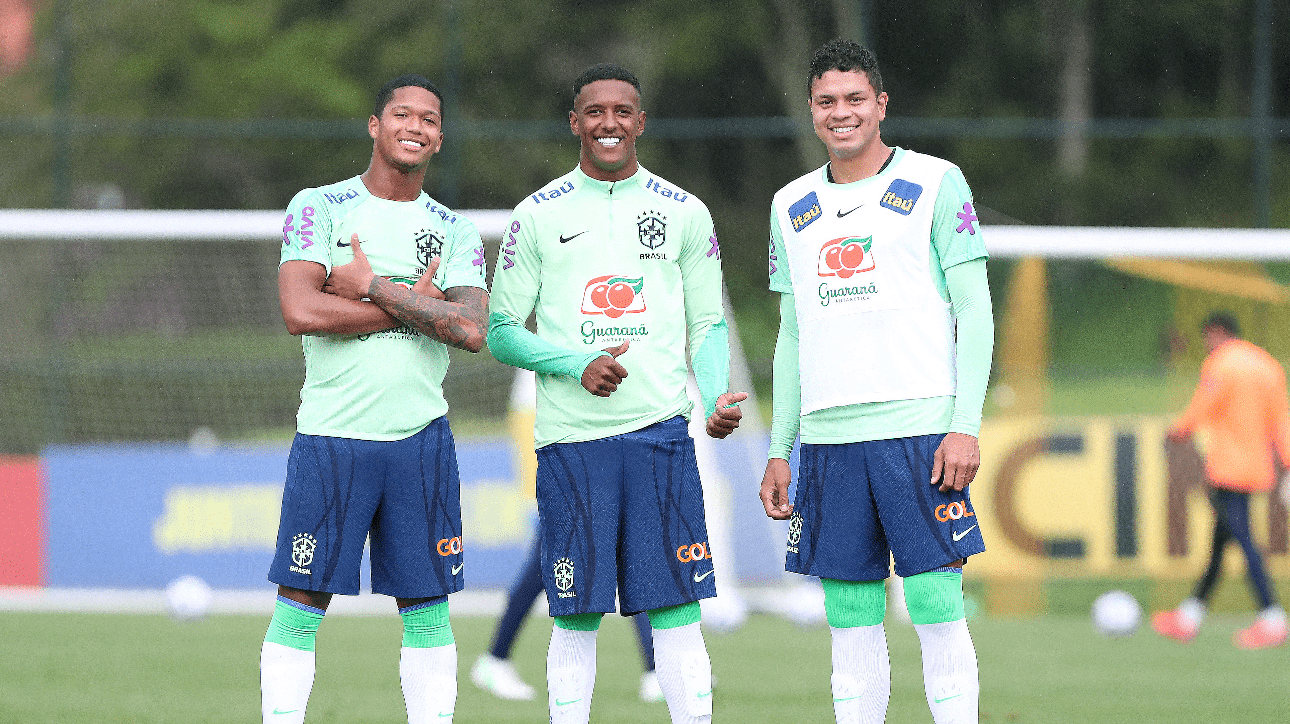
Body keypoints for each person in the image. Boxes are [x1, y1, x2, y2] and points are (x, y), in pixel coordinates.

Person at [486, 62, 746, 724]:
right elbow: (502, 332)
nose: (609, 123)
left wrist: (715, 395)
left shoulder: (684, 211)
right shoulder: (535, 215)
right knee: (575, 613)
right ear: (576, 122)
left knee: (678, 611)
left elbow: (708, 323)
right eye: (595, 112)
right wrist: (577, 364)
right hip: (573, 442)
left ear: (641, 122)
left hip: (661, 435)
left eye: (622, 111)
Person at [759, 39, 994, 724]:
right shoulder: (790, 204)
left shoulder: (934, 182)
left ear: (880, 104)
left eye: (855, 98)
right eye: (828, 101)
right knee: (850, 613)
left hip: (919, 432)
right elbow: (793, 334)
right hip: (830, 441)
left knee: (934, 603)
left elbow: (976, 311)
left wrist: (965, 423)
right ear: (811, 111)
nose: (842, 113)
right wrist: (781, 445)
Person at [262, 74, 489, 724]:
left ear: (440, 137)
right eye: (401, 114)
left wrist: (371, 289)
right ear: (374, 124)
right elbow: (300, 308)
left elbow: (470, 329)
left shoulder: (456, 230)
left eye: (428, 119)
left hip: (421, 441)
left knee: (427, 605)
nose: (414, 126)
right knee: (300, 600)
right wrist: (417, 305)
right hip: (333, 437)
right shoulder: (320, 206)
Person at [471, 371, 665, 704]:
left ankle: (495, 658)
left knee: (567, 565)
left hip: (574, 451)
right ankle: (494, 659)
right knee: (551, 568)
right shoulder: (548, 351)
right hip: (557, 452)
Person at [1152, 311, 1290, 649]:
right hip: (1257, 467)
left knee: (1243, 539)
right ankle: (1189, 616)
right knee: (1222, 541)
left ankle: (1272, 617)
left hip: (1228, 468)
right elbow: (1281, 420)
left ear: (1215, 333)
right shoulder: (1268, 366)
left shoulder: (1222, 363)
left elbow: (1204, 404)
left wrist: (1179, 430)